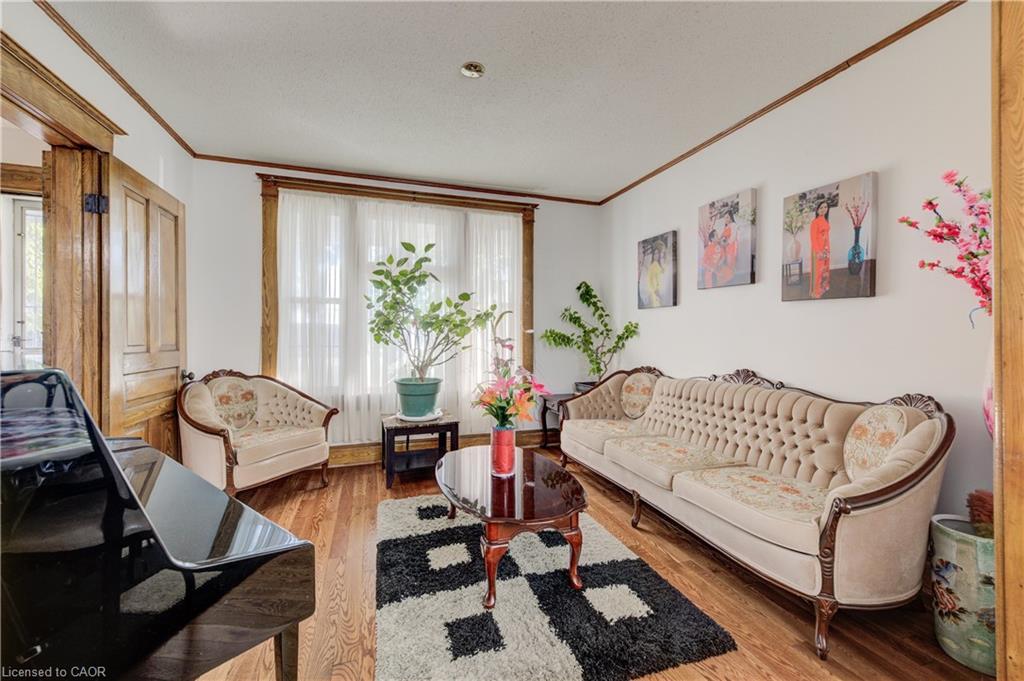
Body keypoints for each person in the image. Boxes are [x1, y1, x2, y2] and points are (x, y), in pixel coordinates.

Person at [809, 200, 831, 298]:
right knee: (818, 270)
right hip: (818, 249)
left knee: (825, 269)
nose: (823, 209)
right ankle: (816, 291)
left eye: (825, 207)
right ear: (817, 210)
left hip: (826, 248)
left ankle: (823, 286)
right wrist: (818, 251)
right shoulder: (815, 222)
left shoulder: (825, 220)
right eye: (821, 207)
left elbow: (826, 236)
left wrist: (827, 249)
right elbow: (813, 238)